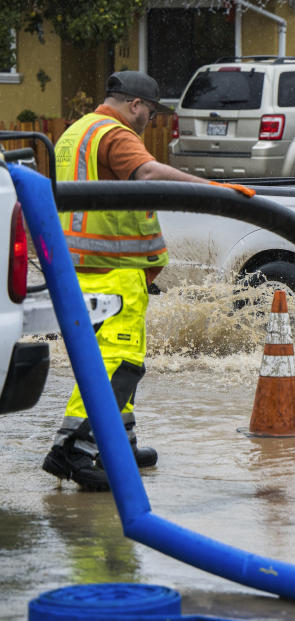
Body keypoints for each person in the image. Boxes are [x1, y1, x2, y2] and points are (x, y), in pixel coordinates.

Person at [41, 70, 251, 491]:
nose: (150, 122)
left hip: (79, 266)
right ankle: (74, 450)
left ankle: (117, 443)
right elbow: (149, 175)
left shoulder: (76, 132)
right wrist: (213, 189)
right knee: (118, 362)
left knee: (109, 355)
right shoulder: (115, 134)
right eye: (150, 113)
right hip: (110, 269)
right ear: (134, 104)